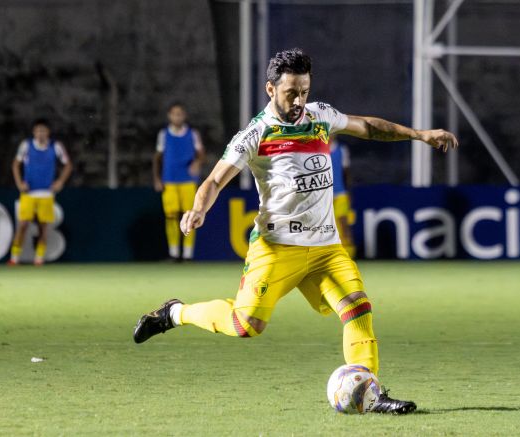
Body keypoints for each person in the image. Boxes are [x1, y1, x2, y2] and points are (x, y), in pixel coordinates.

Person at [133, 48, 457, 414]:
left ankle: (370, 392)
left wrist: (420, 135)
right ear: (270, 89)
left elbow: (367, 126)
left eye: (304, 90)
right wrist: (197, 208)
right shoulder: (255, 134)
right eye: (291, 92)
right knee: (246, 325)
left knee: (358, 309)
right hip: (277, 248)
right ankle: (175, 313)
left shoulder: (319, 116)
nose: (300, 100)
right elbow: (214, 180)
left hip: (325, 249)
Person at [8, 119, 72, 266]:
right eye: (38, 131)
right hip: (28, 193)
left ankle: (39, 257)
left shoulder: (56, 146)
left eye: (43, 130)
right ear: (34, 132)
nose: (41, 134)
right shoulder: (26, 145)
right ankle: (14, 257)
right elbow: (15, 164)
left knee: (44, 226)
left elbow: (68, 165)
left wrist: (60, 181)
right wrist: (19, 183)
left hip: (47, 193)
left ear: (48, 132)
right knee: (23, 224)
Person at [153, 103, 205, 260]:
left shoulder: (192, 134)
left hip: (188, 180)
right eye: (174, 114)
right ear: (169, 115)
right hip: (169, 179)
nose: (177, 116)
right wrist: (157, 178)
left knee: (189, 215)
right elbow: (157, 157)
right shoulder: (164, 134)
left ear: (184, 116)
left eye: (180, 113)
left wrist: (197, 162)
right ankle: (174, 252)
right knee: (171, 216)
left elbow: (201, 153)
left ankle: (188, 254)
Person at [329, 135, 356, 258]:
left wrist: (348, 192)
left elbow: (346, 173)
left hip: (340, 193)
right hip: (323, 195)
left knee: (344, 224)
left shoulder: (342, 149)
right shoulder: (316, 149)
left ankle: (348, 255)